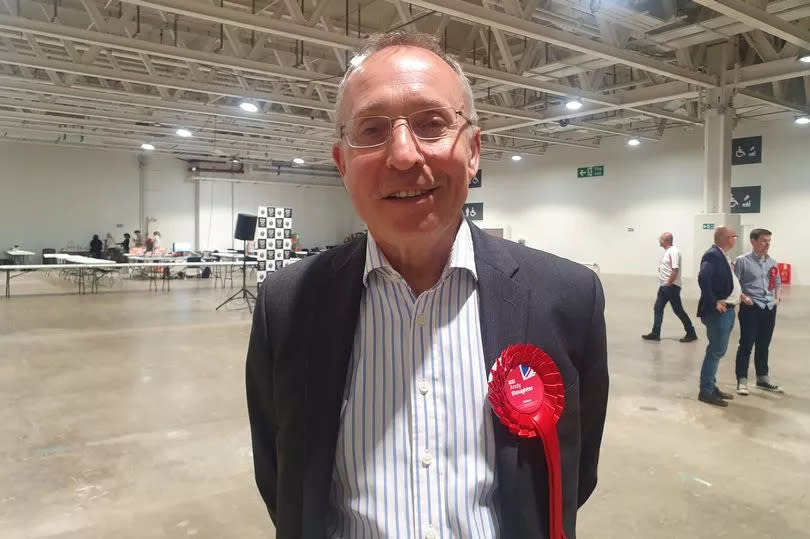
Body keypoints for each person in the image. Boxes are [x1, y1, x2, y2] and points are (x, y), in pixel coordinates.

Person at [245, 32, 608, 538]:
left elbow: (571, 478)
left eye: (432, 124)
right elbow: (282, 482)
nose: (403, 155)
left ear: (474, 150)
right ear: (342, 164)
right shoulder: (286, 305)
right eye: (372, 130)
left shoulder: (568, 298)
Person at [696, 226, 753, 407]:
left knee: (717, 351)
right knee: (715, 351)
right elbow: (703, 278)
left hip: (728, 310)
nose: (735, 239)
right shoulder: (712, 255)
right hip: (719, 312)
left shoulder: (723, 255)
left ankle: (711, 386)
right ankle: (706, 391)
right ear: (726, 238)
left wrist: (740, 296)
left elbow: (728, 281)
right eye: (733, 236)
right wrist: (714, 302)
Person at [733, 228, 783, 395]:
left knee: (764, 344)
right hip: (751, 307)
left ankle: (762, 378)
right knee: (746, 344)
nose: (767, 244)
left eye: (769, 241)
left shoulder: (772, 262)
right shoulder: (742, 261)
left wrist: (777, 299)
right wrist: (743, 297)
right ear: (753, 242)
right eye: (763, 240)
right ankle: (742, 381)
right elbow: (734, 285)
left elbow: (777, 283)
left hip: (769, 307)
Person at [642, 232, 698, 342]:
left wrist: (669, 283)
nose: (659, 241)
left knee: (678, 310)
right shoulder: (668, 252)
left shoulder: (674, 252)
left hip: (671, 286)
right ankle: (655, 333)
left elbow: (675, 269)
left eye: (661, 239)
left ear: (666, 240)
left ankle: (691, 333)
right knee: (658, 308)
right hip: (664, 286)